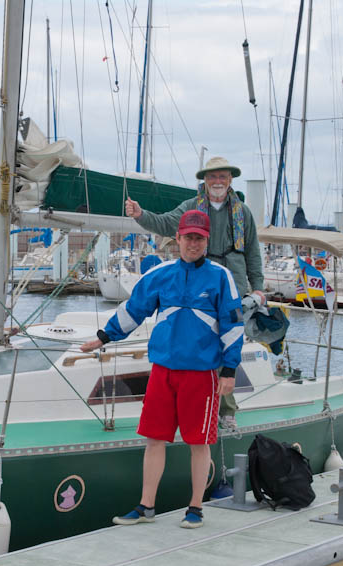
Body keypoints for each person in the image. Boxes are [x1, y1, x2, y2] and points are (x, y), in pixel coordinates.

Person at [80, 209, 243, 529]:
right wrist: (103, 337)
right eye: (187, 238)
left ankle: (195, 507)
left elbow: (233, 324)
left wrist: (229, 369)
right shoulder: (160, 274)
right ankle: (146, 506)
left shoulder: (220, 276)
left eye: (199, 238)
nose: (192, 243)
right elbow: (133, 310)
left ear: (206, 241)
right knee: (154, 439)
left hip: (202, 374)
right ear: (177, 240)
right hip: (163, 370)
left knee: (199, 443)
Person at [124, 156, 264, 429]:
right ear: (205, 181)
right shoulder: (191, 208)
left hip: (232, 283)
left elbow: (253, 251)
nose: (217, 182)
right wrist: (141, 215)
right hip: (200, 278)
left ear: (230, 180)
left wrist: (257, 286)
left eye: (222, 177)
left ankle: (226, 410)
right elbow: (166, 224)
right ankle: (192, 407)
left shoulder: (243, 212)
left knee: (229, 341)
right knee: (198, 341)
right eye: (212, 177)